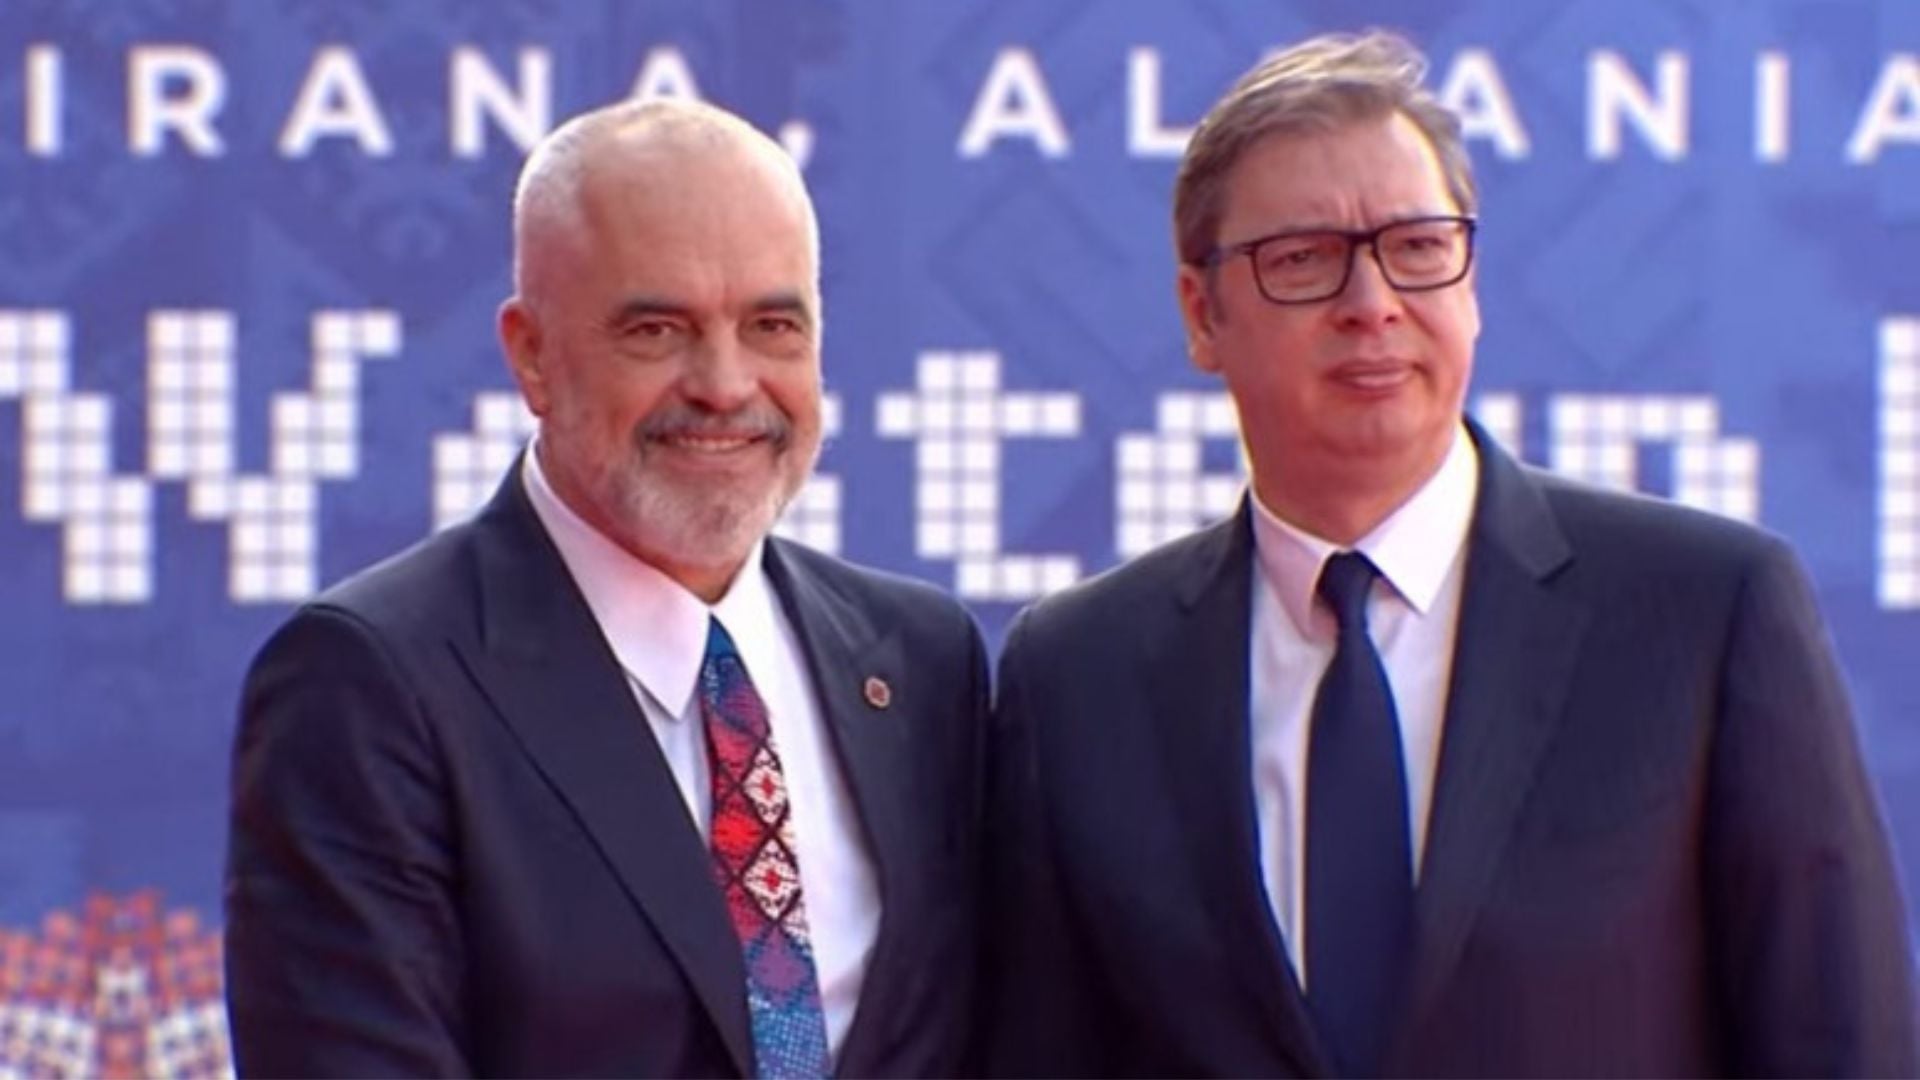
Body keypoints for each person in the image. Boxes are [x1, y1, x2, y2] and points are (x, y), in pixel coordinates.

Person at [984, 29, 1918, 1078]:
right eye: (1304, 260)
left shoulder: (1705, 612)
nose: (1372, 303)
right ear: (1203, 316)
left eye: (1419, 247)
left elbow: (1842, 1044)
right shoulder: (1079, 673)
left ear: (1470, 286)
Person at [225, 98, 989, 1077]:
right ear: (532, 354)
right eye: (658, 330)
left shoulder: (920, 659)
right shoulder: (370, 684)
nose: (726, 384)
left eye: (773, 326)